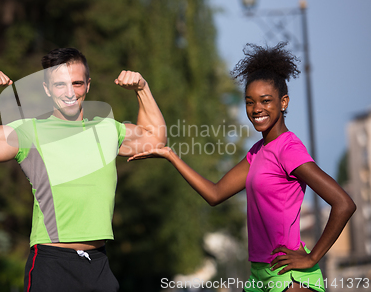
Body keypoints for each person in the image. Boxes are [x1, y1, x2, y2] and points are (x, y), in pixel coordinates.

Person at [128, 43, 356, 292]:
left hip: (288, 277)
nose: (256, 109)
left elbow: (343, 203)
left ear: (283, 102)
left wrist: (313, 258)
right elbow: (215, 194)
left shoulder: (288, 149)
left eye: (265, 101)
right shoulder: (257, 153)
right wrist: (170, 155)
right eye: (250, 102)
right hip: (259, 274)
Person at [0, 47, 166, 292]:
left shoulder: (108, 130)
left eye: (76, 83)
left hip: (98, 265)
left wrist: (142, 89)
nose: (69, 93)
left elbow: (156, 140)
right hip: (51, 265)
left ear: (88, 85)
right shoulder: (28, 132)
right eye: (60, 85)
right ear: (47, 89)